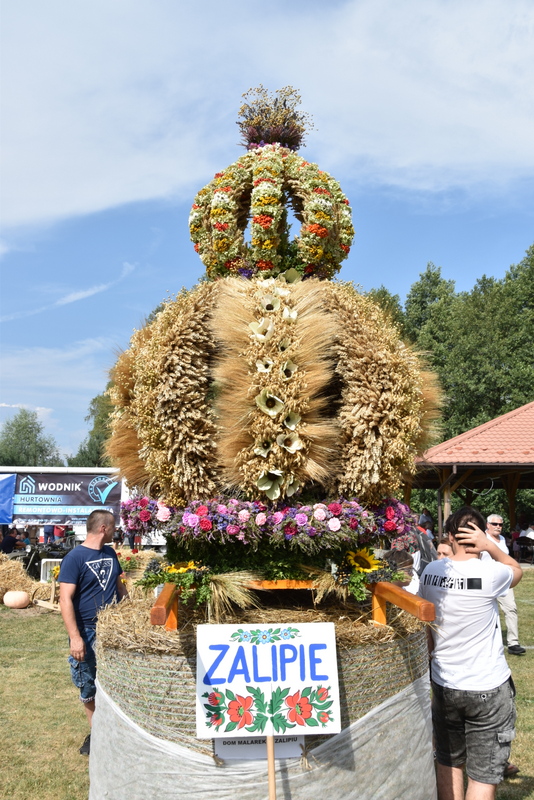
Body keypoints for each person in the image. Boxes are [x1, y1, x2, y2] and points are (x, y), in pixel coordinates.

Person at [418, 506, 522, 800]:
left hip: (445, 681)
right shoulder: (492, 572)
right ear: (480, 534)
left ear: (450, 536)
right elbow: (516, 571)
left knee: (448, 761)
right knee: (483, 775)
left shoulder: (431, 571)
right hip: (488, 685)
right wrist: (491, 545)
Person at [59, 509, 128, 756]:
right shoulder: (75, 557)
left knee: (115, 683)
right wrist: (76, 638)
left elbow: (119, 586)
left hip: (112, 630)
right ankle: (97, 733)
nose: (115, 531)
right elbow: (65, 599)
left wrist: (129, 613)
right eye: (113, 527)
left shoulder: (110, 553)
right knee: (87, 685)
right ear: (103, 528)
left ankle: (113, 730)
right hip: (87, 631)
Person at [486, 514, 526, 656]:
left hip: (503, 579)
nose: (498, 527)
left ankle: (513, 643)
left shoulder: (502, 539)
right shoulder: (482, 539)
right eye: (494, 524)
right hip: (486, 581)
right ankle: (486, 642)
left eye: (500, 525)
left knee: (511, 608)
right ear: (487, 525)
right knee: (486, 612)